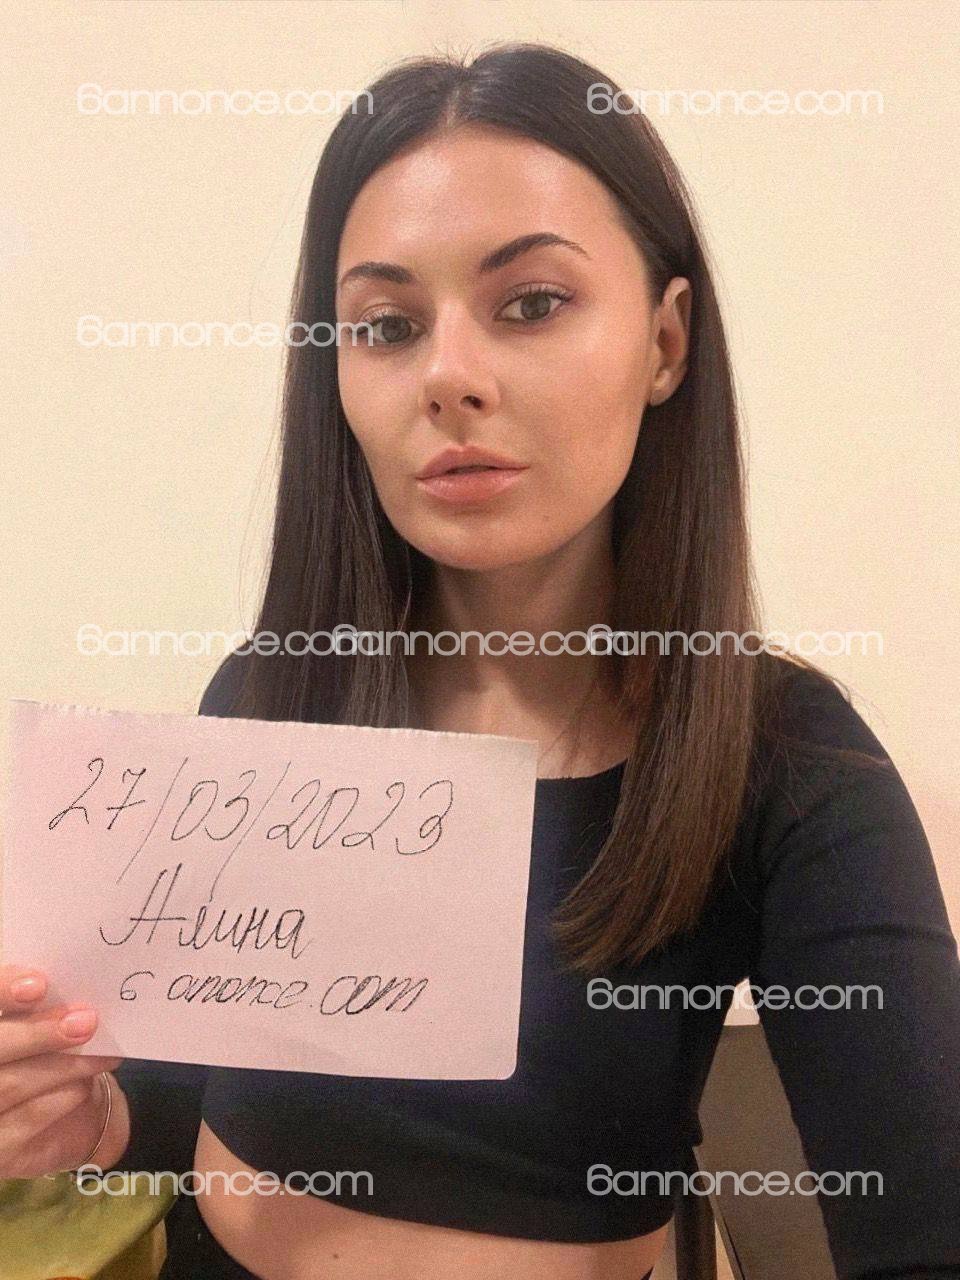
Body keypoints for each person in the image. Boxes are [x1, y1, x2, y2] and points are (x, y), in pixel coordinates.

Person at [1, 41, 958, 1280]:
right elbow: (237, 1082)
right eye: (387, 326)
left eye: (532, 303)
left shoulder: (786, 762)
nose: (449, 375)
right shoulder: (275, 688)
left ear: (666, 341)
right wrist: (94, 1116)